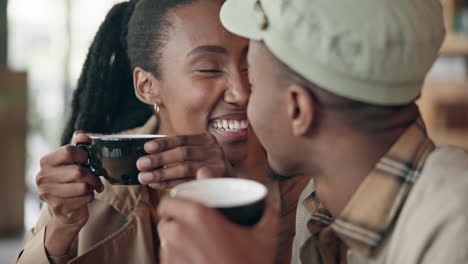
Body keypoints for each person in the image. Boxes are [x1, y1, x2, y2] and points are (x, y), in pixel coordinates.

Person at [157, 0, 468, 263]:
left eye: (253, 83)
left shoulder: (455, 229)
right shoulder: (320, 205)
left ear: (298, 109)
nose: (242, 97)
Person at [16, 0, 309, 263]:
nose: (241, 93)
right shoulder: (95, 188)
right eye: (208, 69)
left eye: (249, 65)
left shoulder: (306, 181)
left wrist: (233, 197)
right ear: (147, 86)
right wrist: (59, 229)